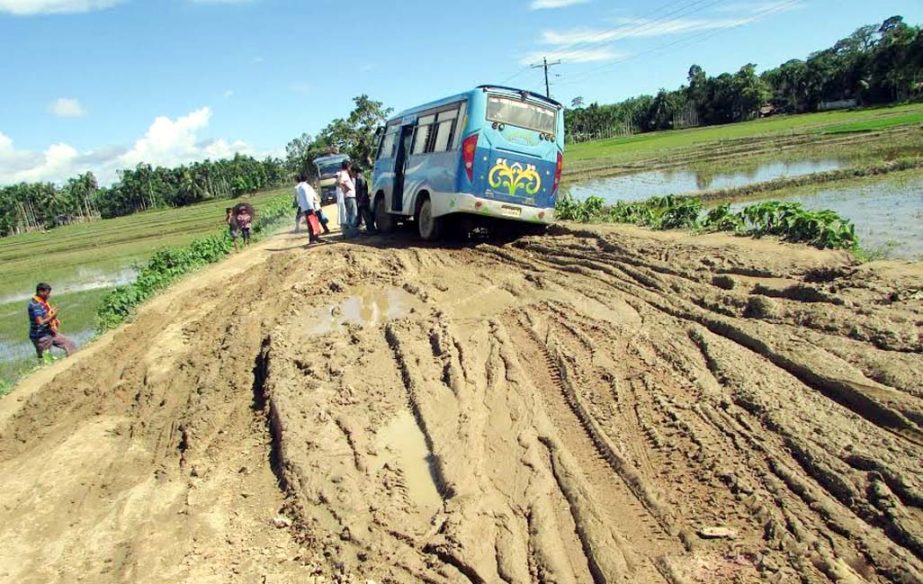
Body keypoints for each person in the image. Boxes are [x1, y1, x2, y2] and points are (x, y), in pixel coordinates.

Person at [28, 283, 77, 361]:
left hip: (49, 332)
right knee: (46, 360)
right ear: (40, 291)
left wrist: (51, 313)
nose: (49, 295)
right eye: (47, 293)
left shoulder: (42, 302)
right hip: (41, 337)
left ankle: (72, 365)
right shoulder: (35, 305)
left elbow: (44, 316)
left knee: (70, 344)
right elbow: (40, 322)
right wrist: (53, 316)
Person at [295, 175, 322, 244]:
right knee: (312, 223)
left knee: (311, 223)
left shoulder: (300, 187)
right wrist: (312, 207)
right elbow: (308, 198)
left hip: (306, 207)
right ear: (306, 179)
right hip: (309, 207)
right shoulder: (305, 187)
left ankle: (314, 238)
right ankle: (314, 239)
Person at [336, 160, 357, 238]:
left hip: (348, 196)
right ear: (348, 166)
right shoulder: (344, 174)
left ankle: (348, 233)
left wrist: (344, 188)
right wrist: (345, 189)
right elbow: (339, 182)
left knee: (349, 214)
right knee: (353, 214)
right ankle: (352, 233)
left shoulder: (343, 173)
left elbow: (338, 182)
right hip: (349, 196)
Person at [353, 165, 375, 234]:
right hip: (361, 200)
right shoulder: (358, 178)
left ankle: (371, 230)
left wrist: (361, 201)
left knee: (367, 216)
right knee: (365, 216)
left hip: (363, 201)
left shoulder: (360, 179)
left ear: (355, 171)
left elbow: (364, 191)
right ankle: (369, 229)